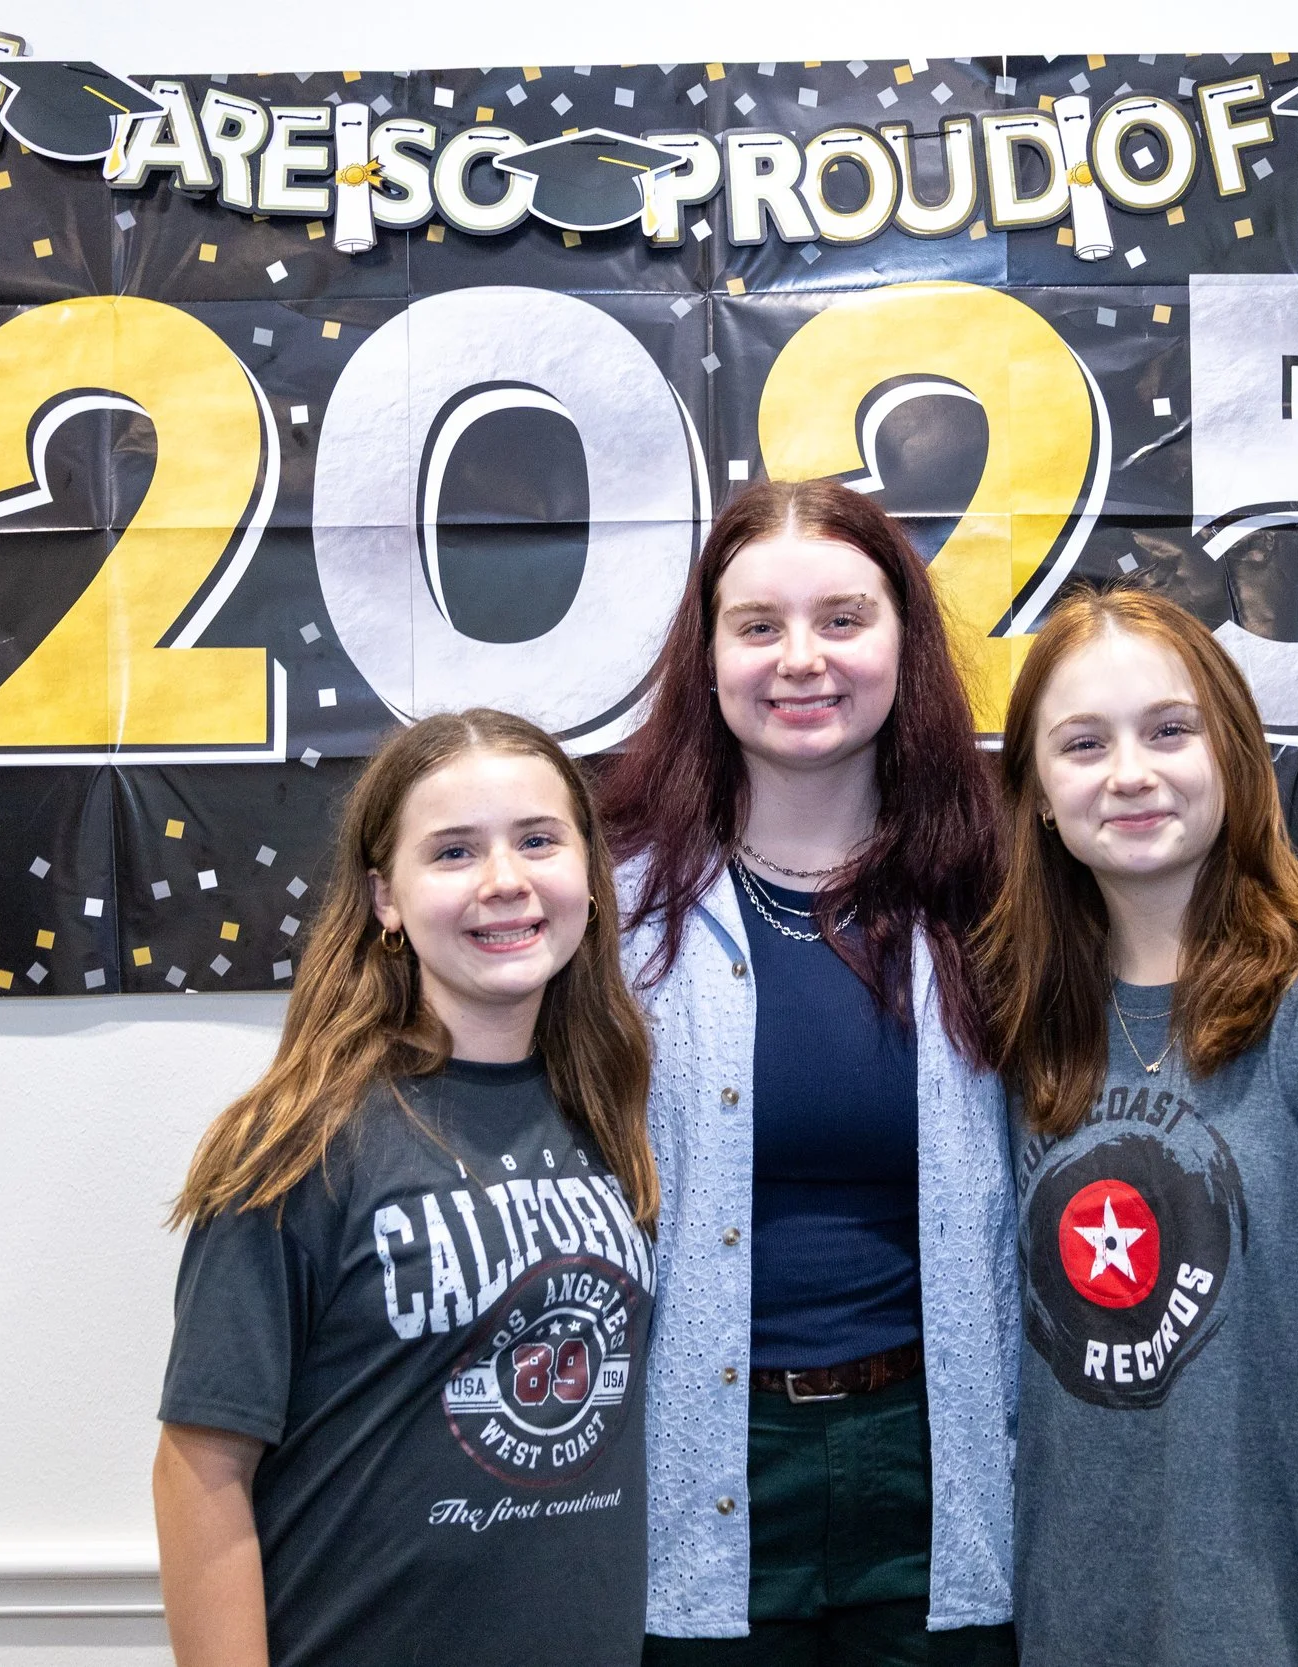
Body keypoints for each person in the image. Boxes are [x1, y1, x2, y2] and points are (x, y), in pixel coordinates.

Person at [978, 586, 1298, 1667]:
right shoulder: (1014, 1024)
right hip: (1064, 1628)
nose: (1129, 772)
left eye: (1169, 730)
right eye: (1082, 743)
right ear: (1032, 792)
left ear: (1235, 752)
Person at [600, 479, 1018, 1663]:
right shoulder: (609, 903)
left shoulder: (993, 889)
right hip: (698, 1462)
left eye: (843, 618)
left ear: (903, 641)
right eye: (757, 625)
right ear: (708, 652)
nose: (801, 659)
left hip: (941, 1461)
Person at [153, 709, 659, 1667]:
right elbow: (199, 1469)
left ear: (590, 874)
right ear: (387, 896)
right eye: (455, 851)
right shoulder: (298, 1143)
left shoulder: (615, 1112)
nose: (505, 882)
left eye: (539, 840)